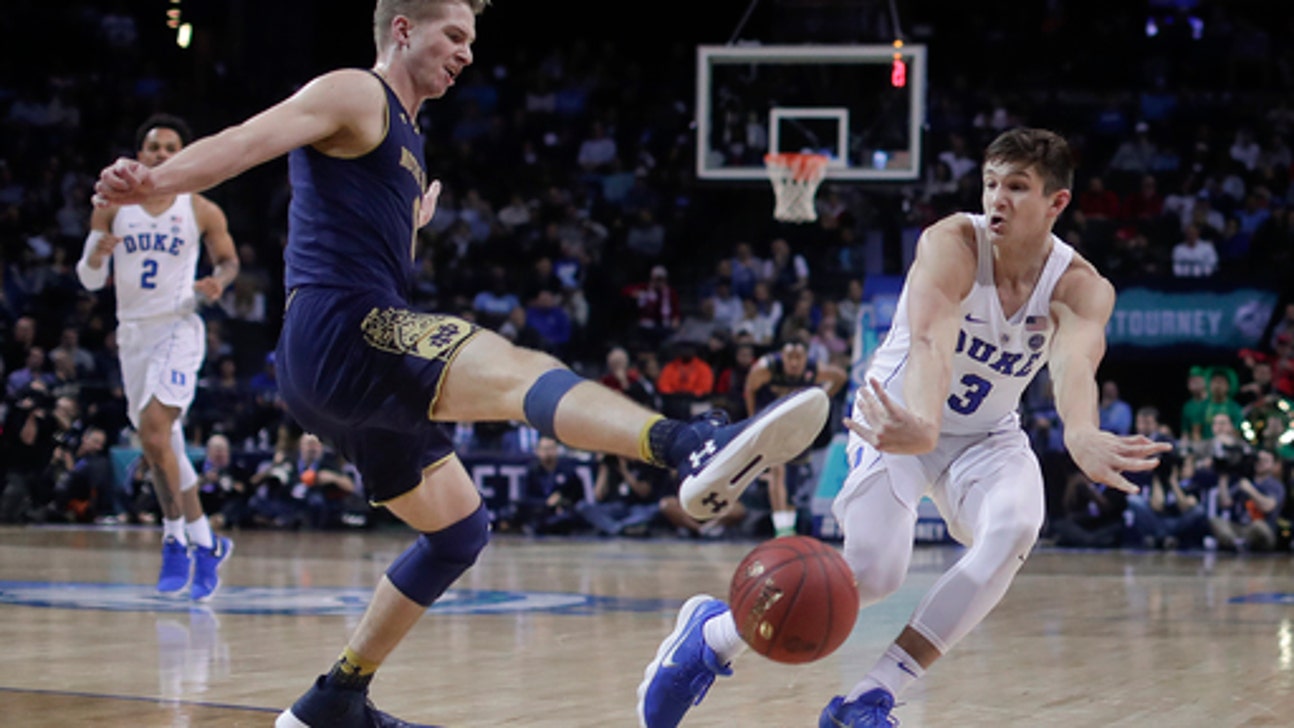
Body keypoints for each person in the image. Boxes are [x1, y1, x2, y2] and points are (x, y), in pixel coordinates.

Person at [93, 2, 829, 725]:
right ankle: (686, 444)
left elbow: (361, 235)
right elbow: (249, 139)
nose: (467, 52)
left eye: (471, 40)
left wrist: (408, 221)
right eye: (455, 35)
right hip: (342, 326)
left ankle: (337, 698)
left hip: (336, 361)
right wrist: (157, 183)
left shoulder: (408, 140)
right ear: (403, 30)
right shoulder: (355, 89)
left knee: (460, 532)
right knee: (513, 365)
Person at [637, 128, 1170, 728]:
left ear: (1057, 203)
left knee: (1018, 525)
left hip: (988, 436)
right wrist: (921, 422)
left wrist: (1081, 431)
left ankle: (869, 696)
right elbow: (929, 343)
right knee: (873, 575)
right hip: (896, 415)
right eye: (991, 182)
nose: (997, 198)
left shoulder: (1082, 286)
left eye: (1017, 187)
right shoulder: (952, 243)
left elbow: (1075, 365)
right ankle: (711, 636)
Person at [77, 112, 240, 601]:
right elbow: (87, 280)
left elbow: (230, 260)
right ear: (139, 154)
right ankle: (207, 543)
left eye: (171, 147)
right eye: (153, 147)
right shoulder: (111, 206)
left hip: (178, 324)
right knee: (159, 446)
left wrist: (219, 282)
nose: (162, 154)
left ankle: (173, 538)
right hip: (133, 334)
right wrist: (94, 257)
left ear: (183, 154)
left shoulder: (201, 209)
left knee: (153, 431)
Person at [743, 340, 847, 537]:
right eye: (790, 357)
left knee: (793, 479)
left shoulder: (813, 368)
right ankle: (780, 528)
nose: (794, 363)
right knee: (778, 470)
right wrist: (752, 421)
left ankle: (787, 527)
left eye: (798, 358)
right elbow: (749, 389)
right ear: (782, 356)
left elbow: (840, 377)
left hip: (796, 426)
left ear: (805, 358)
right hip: (770, 422)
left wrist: (822, 397)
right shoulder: (766, 369)